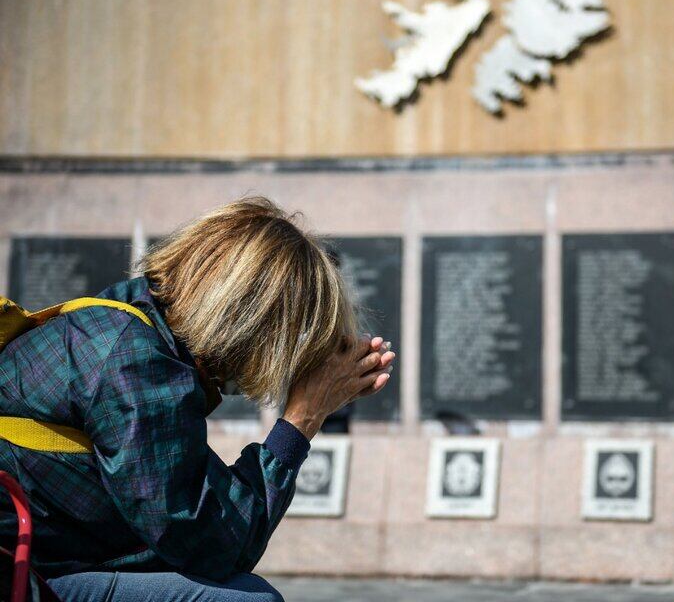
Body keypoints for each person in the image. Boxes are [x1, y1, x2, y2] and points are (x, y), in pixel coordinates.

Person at [0, 198, 396, 601]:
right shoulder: (134, 360)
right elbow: (215, 543)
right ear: (253, 326)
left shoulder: (128, 326)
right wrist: (303, 418)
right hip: (27, 575)